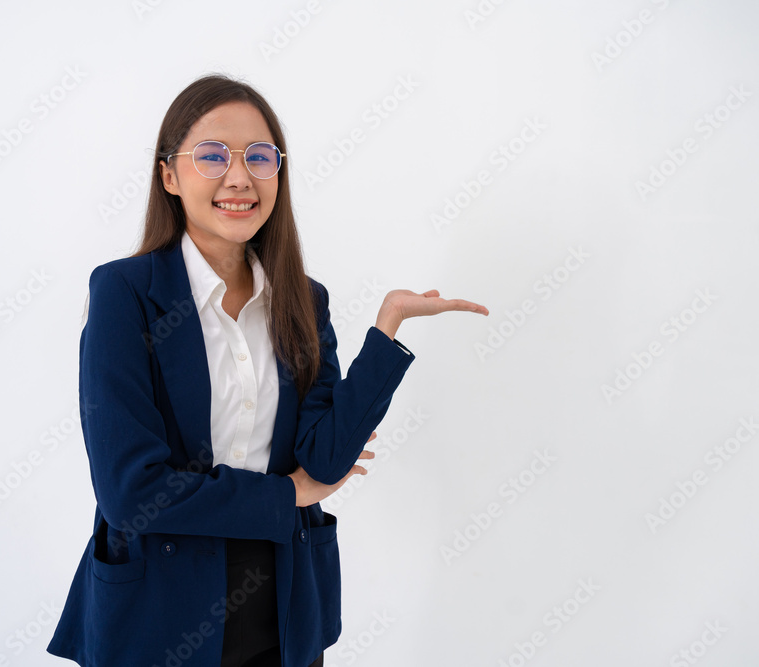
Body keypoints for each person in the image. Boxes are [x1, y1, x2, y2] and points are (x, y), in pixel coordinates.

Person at [45, 73, 488, 667]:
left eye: (259, 156)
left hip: (283, 599)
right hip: (159, 608)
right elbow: (132, 492)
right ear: (169, 175)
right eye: (212, 155)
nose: (239, 177)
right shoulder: (125, 293)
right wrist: (287, 494)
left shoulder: (303, 298)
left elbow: (324, 460)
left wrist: (387, 330)